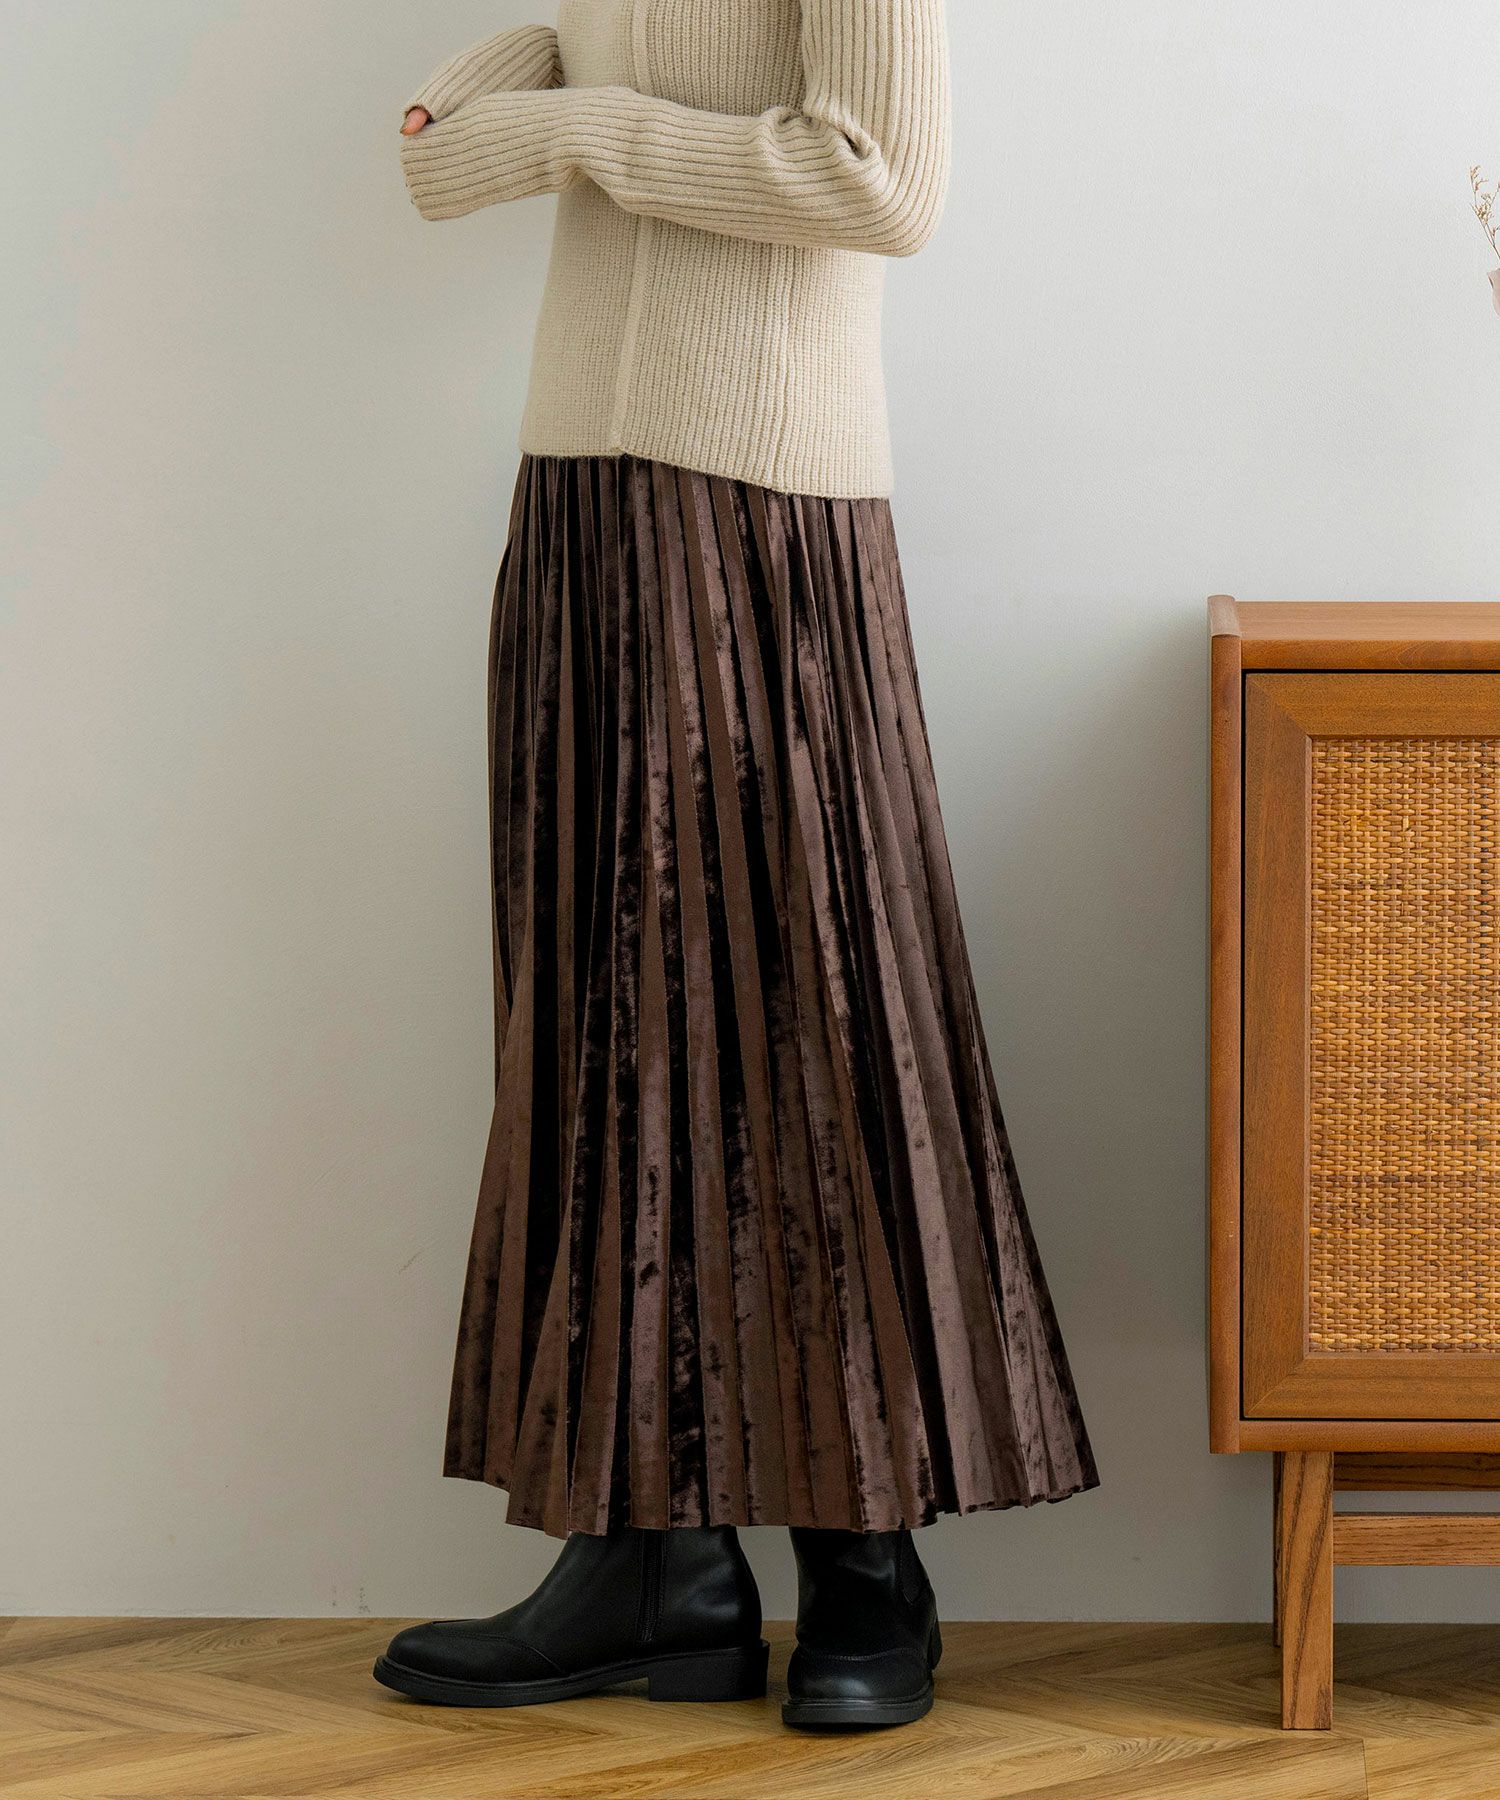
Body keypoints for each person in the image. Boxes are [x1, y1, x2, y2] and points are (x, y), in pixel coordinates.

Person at [374, 0, 1096, 1732]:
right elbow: (438, 161)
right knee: (596, 1033)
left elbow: (883, 181)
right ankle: (654, 1563)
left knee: (813, 1030)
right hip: (579, 494)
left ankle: (864, 1560)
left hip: (769, 500)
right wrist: (520, 84)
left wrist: (575, 127)